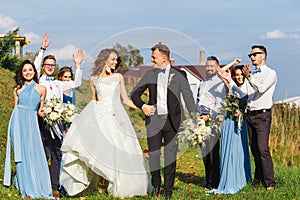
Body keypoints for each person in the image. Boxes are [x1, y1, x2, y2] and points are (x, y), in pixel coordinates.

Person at [60, 48, 151, 198]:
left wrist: (143, 108)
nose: (115, 62)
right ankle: (101, 181)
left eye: (116, 60)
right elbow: (94, 100)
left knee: (118, 148)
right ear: (104, 60)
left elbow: (126, 100)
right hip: (100, 115)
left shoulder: (118, 77)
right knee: (99, 149)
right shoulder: (93, 79)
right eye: (112, 59)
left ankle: (112, 182)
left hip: (117, 116)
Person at [131, 43, 197, 199]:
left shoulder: (180, 74)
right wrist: (143, 106)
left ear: (164, 58)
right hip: (154, 121)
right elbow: (135, 94)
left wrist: (195, 118)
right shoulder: (149, 74)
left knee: (170, 157)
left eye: (154, 57)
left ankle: (168, 190)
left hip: (172, 121)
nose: (152, 60)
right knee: (153, 156)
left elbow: (188, 97)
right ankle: (156, 186)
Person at [34, 33, 84, 192]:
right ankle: (40, 184)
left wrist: (77, 65)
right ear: (43, 66)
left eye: (52, 65)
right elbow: (34, 66)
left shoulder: (57, 83)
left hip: (58, 122)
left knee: (57, 155)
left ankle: (54, 186)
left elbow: (76, 83)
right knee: (44, 153)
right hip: (42, 121)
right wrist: (42, 49)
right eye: (47, 64)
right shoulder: (38, 80)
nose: (50, 67)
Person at [3, 60, 53, 198]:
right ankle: (24, 184)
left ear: (34, 71)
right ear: (21, 73)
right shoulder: (17, 89)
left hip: (32, 123)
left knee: (35, 153)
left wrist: (52, 113)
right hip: (18, 122)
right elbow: (15, 108)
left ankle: (38, 184)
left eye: (30, 69)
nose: (28, 72)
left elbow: (40, 111)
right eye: (25, 70)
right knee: (22, 154)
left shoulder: (42, 89)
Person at [208, 60, 252, 194]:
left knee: (240, 151)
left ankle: (241, 180)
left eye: (240, 74)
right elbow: (220, 72)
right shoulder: (229, 85)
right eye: (236, 74)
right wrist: (233, 63)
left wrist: (241, 112)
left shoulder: (248, 86)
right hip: (229, 121)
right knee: (229, 150)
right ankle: (228, 180)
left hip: (240, 122)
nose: (238, 77)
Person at [242, 45, 277, 190]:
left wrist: (249, 77)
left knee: (263, 148)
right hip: (250, 114)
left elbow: (261, 89)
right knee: (255, 149)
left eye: (254, 54)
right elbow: (247, 94)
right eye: (250, 55)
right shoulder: (253, 75)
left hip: (263, 115)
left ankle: (270, 183)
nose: (252, 57)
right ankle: (258, 180)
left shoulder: (271, 73)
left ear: (263, 55)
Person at [196, 56, 225, 189]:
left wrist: (210, 116)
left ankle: (215, 183)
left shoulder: (219, 83)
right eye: (207, 66)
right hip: (201, 120)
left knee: (213, 153)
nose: (209, 68)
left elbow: (220, 104)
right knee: (205, 153)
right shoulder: (202, 83)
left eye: (212, 66)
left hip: (212, 121)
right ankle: (208, 181)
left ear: (217, 67)